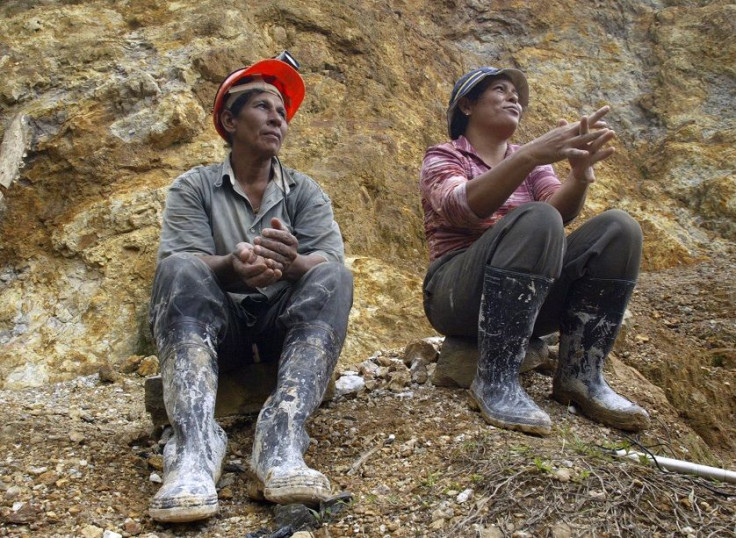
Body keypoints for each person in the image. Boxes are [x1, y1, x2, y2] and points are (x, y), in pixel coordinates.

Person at [147, 52, 353, 523]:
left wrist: (291, 262)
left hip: (282, 329)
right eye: (263, 107)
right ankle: (195, 448)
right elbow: (185, 260)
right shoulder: (193, 187)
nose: (277, 118)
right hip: (223, 333)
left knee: (336, 276)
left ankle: (281, 436)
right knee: (178, 270)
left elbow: (328, 262)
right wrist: (233, 265)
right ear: (229, 120)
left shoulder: (305, 191)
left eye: (282, 111)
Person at [420, 66, 650, 436]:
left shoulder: (531, 162)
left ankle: (581, 377)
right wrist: (527, 157)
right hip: (455, 294)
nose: (514, 98)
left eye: (517, 94)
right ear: (466, 104)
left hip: (527, 297)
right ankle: (495, 380)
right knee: (538, 217)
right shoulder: (444, 156)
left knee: (619, 229)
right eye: (500, 89)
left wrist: (577, 175)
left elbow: (559, 213)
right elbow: (460, 206)